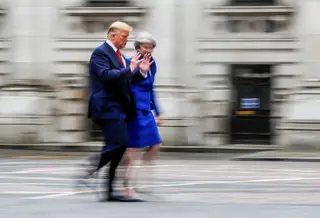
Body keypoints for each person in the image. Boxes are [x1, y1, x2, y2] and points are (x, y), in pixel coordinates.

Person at [77, 21, 153, 202]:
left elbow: (123, 79)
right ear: (113, 36)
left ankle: (109, 191)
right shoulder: (100, 53)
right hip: (105, 107)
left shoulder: (119, 55)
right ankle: (90, 169)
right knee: (119, 143)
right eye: (124, 36)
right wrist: (130, 69)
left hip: (117, 107)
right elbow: (106, 76)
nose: (127, 40)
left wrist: (139, 72)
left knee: (118, 146)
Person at [122, 32, 163, 198]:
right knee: (133, 150)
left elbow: (151, 88)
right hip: (133, 110)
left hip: (146, 110)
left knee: (156, 144)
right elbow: (124, 82)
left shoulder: (152, 64)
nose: (149, 50)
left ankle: (144, 176)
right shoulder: (130, 62)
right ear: (138, 47)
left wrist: (157, 112)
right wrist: (138, 71)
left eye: (151, 47)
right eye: (146, 47)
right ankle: (127, 184)